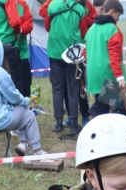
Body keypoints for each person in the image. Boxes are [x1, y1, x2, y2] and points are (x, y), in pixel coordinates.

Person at [0, 38, 47, 157]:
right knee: (28, 115)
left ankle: (23, 144)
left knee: (18, 110)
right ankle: (37, 150)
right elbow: (15, 98)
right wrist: (27, 101)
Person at [41, 0, 88, 134]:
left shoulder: (52, 5)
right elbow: (83, 31)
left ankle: (58, 124)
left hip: (55, 53)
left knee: (57, 89)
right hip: (72, 54)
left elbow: (47, 27)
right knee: (73, 89)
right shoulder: (79, 9)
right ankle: (73, 123)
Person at [85, 0, 126, 118]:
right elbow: (114, 56)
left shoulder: (92, 29)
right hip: (109, 76)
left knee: (101, 105)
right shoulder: (112, 29)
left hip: (94, 75)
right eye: (118, 15)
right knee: (121, 110)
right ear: (113, 12)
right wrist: (120, 77)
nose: (118, 19)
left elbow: (85, 51)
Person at [16, 0, 33, 98]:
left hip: (21, 53)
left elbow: (29, 25)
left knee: (25, 85)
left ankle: (26, 109)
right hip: (0, 55)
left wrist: (20, 29)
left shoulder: (21, 4)